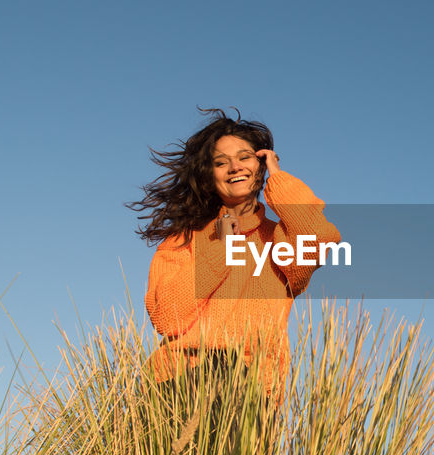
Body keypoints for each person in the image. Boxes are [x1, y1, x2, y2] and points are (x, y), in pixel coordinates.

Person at [130, 107, 340, 398]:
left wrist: (279, 181)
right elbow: (168, 317)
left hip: (252, 387)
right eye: (221, 162)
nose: (235, 167)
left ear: (261, 165)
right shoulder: (183, 239)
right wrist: (222, 244)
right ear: (209, 176)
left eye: (245, 157)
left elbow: (318, 238)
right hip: (176, 382)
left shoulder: (279, 240)